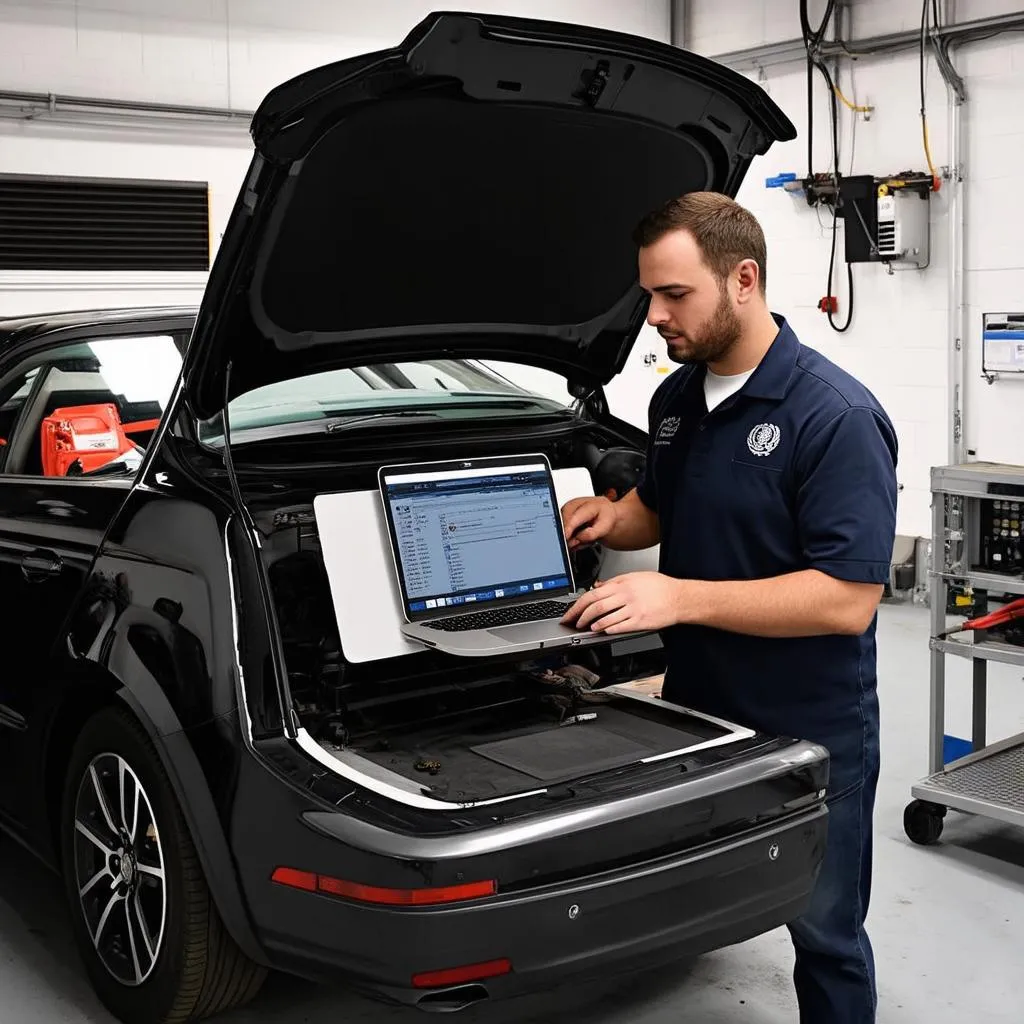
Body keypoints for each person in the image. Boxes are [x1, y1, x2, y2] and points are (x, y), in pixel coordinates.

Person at [560, 191, 897, 1024]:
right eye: (649, 296)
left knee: (825, 932)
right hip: (699, 714)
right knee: (704, 891)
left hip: (808, 727)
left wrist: (675, 595)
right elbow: (664, 509)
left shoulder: (836, 417)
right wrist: (614, 516)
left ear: (743, 280)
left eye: (675, 295)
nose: (655, 317)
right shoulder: (675, 402)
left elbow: (845, 600)